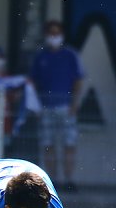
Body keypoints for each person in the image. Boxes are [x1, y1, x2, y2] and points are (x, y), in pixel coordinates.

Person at [29, 21, 84, 192]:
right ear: (46, 35)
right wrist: (36, 105)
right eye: (51, 33)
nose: (54, 36)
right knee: (48, 144)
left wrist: (75, 104)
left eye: (57, 33)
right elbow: (32, 81)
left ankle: (69, 179)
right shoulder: (41, 56)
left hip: (66, 107)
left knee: (69, 143)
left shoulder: (70, 55)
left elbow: (79, 80)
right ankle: (51, 181)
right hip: (46, 108)